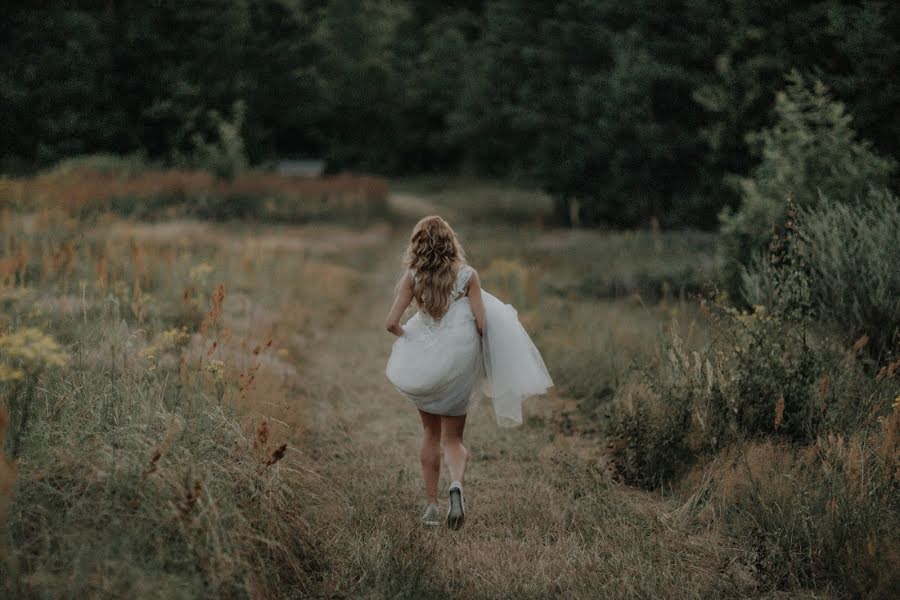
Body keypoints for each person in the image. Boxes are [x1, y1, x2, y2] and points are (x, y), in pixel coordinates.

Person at [384, 215, 553, 530]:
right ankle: (456, 485)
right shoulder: (468, 276)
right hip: (459, 366)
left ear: (417, 245)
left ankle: (432, 507)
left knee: (430, 435)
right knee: (453, 438)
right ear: (450, 243)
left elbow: (391, 323)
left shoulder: (412, 278)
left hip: (424, 364)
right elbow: (481, 323)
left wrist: (414, 338)